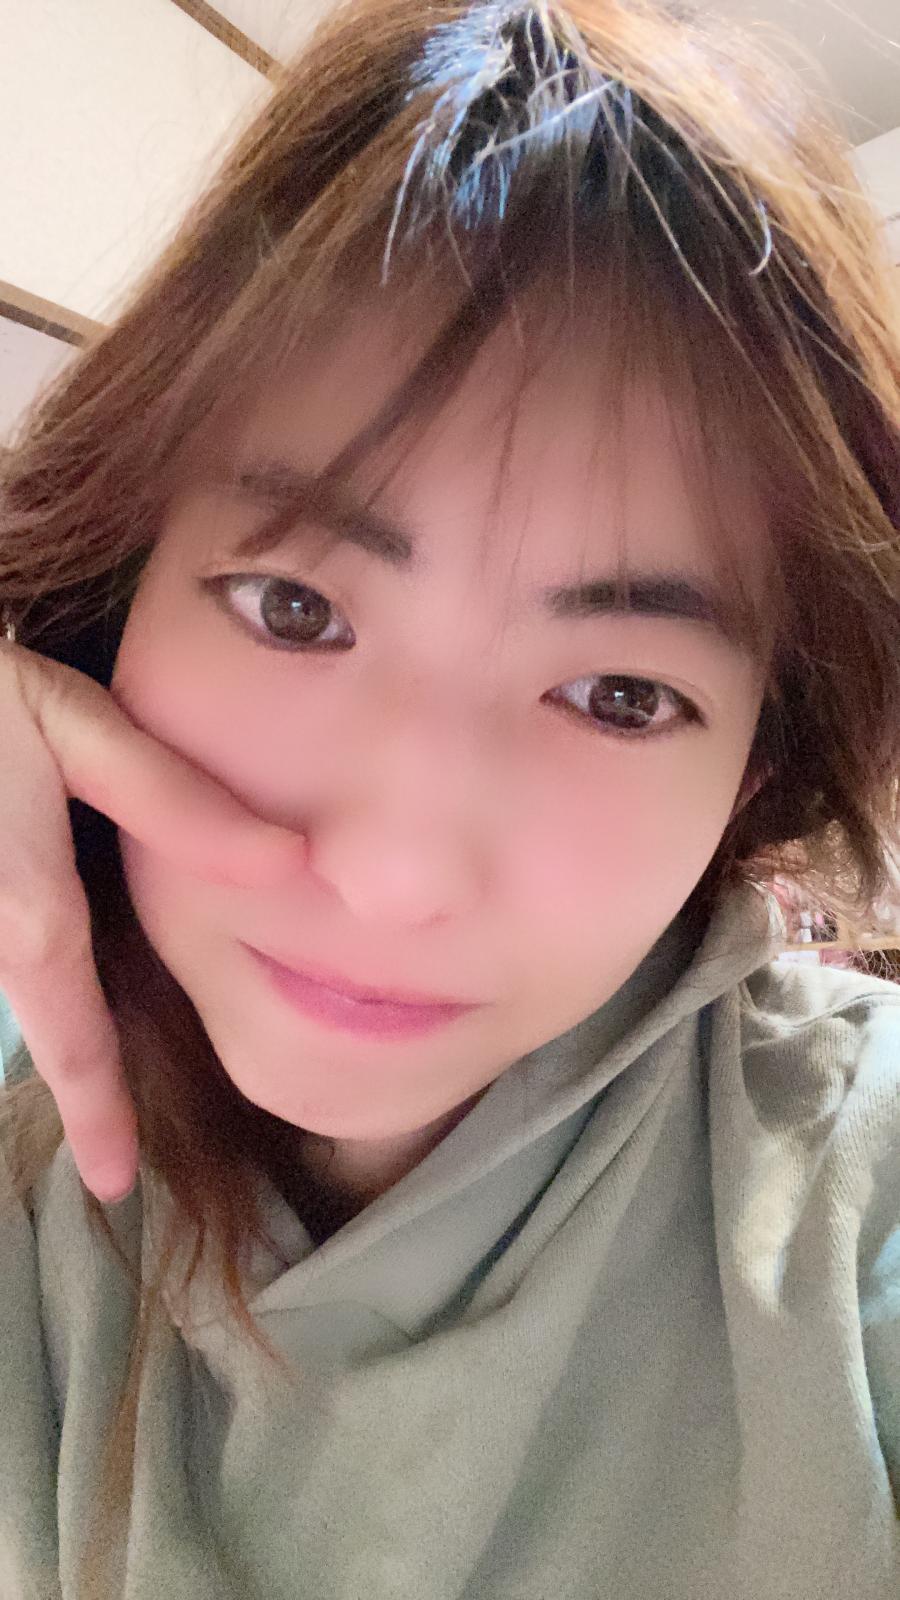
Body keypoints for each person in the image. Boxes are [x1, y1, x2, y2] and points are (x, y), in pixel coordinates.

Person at [0, 1, 898, 1595]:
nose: (397, 875)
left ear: (755, 772)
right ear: (113, 594)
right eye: (294, 609)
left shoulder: (851, 1212)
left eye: (621, 696)